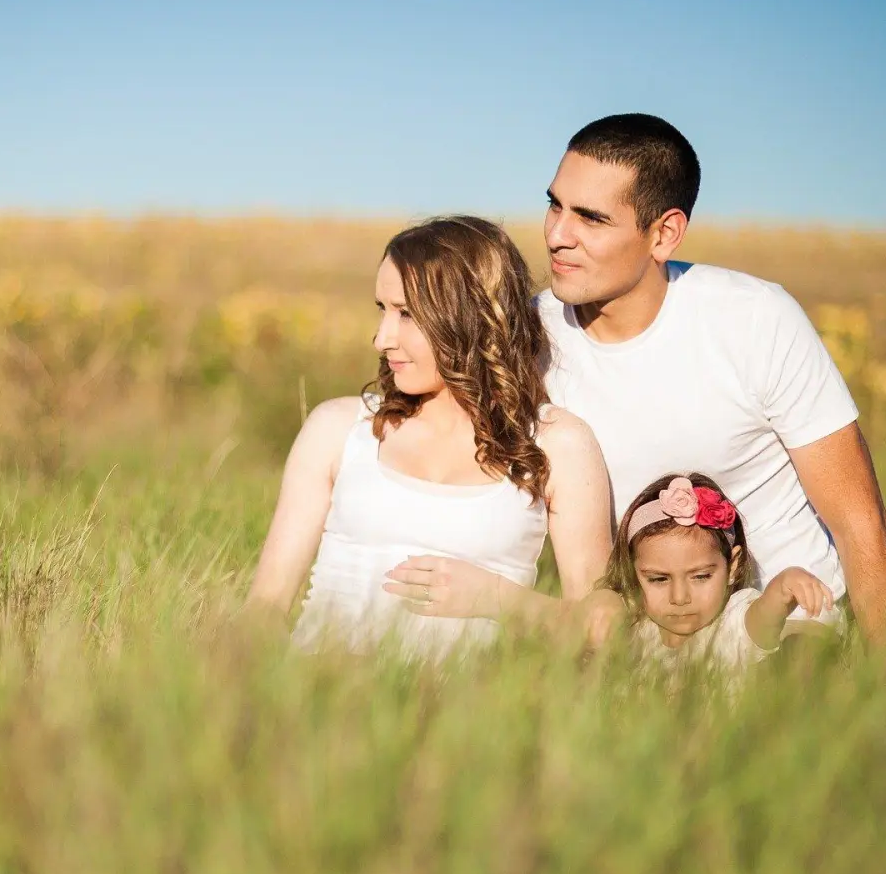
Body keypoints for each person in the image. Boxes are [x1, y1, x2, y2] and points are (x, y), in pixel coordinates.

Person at [405, 113, 886, 647]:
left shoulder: (756, 319)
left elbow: (863, 524)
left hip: (783, 632)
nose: (557, 235)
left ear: (663, 233)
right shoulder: (526, 336)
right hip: (634, 641)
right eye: (555, 205)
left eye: (591, 218)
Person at [242, 216, 615, 662]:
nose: (382, 338)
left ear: (471, 314)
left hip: (467, 720)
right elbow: (264, 608)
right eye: (382, 309)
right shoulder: (338, 429)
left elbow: (604, 629)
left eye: (406, 314)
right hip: (321, 703)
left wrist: (498, 598)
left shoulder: (558, 443)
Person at [599, 472, 834, 679]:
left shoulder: (732, 624)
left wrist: (783, 588)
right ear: (632, 572)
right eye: (659, 579)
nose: (680, 597)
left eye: (700, 577)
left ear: (732, 566)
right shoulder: (636, 629)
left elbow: (763, 619)